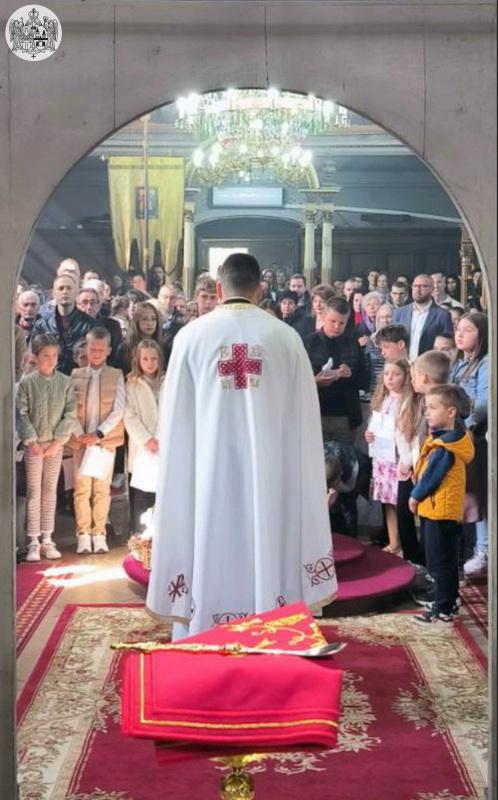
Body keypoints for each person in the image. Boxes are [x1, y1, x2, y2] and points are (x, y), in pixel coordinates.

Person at [147, 253, 337, 639]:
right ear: (260, 290)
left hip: (207, 474)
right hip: (270, 475)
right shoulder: (285, 338)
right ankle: (270, 625)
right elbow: (303, 420)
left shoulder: (191, 337)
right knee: (268, 538)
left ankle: (202, 629)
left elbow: (176, 417)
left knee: (208, 537)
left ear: (218, 288)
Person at [410, 385, 475, 625]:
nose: (427, 412)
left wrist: (415, 496)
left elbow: (431, 478)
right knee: (445, 560)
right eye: (426, 408)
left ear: (451, 412)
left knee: (440, 563)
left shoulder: (446, 446)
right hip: (440, 509)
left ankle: (443, 609)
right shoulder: (447, 440)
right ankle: (449, 602)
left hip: (440, 511)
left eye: (432, 408)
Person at [16, 334, 77, 562]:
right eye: (45, 356)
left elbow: (70, 413)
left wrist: (58, 442)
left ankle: (48, 538)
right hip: (34, 446)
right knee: (34, 491)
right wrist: (32, 441)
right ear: (36, 356)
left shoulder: (65, 382)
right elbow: (21, 413)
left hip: (54, 445)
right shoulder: (27, 383)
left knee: (50, 489)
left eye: (54, 356)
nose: (51, 361)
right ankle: (33, 540)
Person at [69, 327, 125, 554]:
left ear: (108, 350)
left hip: (104, 441)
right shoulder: (75, 375)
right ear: (86, 348)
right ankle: (83, 533)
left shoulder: (116, 375)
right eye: (92, 349)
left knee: (102, 489)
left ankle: (99, 533)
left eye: (101, 350)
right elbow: (69, 408)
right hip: (81, 440)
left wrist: (99, 433)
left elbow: (119, 409)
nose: (96, 353)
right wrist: (80, 433)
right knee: (81, 489)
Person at [365, 359, 418, 555]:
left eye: (396, 374)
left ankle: (408, 546)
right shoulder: (383, 399)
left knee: (401, 503)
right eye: (387, 374)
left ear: (406, 377)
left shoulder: (409, 401)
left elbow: (410, 431)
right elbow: (374, 424)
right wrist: (369, 435)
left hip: (399, 458)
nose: (390, 378)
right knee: (387, 501)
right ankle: (394, 541)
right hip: (383, 458)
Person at [450, 312, 488, 575]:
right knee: (467, 493)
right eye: (458, 329)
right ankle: (471, 546)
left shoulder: (486, 363)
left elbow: (484, 402)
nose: (460, 334)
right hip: (459, 434)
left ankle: (483, 549)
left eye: (468, 330)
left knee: (478, 494)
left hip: (476, 436)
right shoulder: (458, 364)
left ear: (482, 334)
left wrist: (466, 425)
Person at [306, 296, 369, 444]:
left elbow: (365, 380)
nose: (336, 327)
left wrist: (350, 374)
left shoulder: (353, 344)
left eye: (342, 323)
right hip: (316, 413)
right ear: (323, 316)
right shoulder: (309, 343)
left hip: (345, 415)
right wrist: (315, 382)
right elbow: (297, 380)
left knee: (345, 456)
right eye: (332, 321)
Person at [125, 340, 164, 535]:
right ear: (138, 360)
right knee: (143, 491)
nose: (150, 363)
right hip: (143, 446)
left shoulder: (168, 381)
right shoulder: (132, 384)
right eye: (145, 359)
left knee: (162, 490)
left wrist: (162, 437)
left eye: (154, 359)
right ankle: (141, 536)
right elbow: (129, 415)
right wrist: (146, 439)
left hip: (164, 443)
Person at [33, 274, 96, 374]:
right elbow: (34, 356)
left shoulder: (90, 324)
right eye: (61, 288)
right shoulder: (42, 325)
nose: (65, 292)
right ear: (54, 293)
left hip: (79, 377)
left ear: (76, 292)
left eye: (69, 288)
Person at [394, 274, 453, 359]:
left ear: (432, 289)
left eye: (423, 286)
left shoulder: (442, 315)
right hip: (403, 364)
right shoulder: (399, 313)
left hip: (429, 363)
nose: (418, 289)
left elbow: (447, 345)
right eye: (415, 286)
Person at [77, 286, 123, 368]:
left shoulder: (113, 325)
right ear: (77, 305)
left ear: (99, 305)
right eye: (84, 302)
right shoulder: (70, 326)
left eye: (93, 303)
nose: (89, 307)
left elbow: (116, 356)